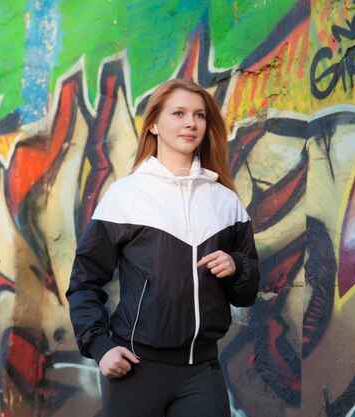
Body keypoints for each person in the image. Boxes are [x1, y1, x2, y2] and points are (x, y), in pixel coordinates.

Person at [66, 79, 259, 417]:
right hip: (137, 370)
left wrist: (237, 266)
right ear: (154, 124)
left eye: (199, 115)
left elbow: (247, 293)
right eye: (179, 113)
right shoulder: (125, 196)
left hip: (203, 371)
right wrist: (100, 347)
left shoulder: (226, 202)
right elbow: (84, 281)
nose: (191, 123)